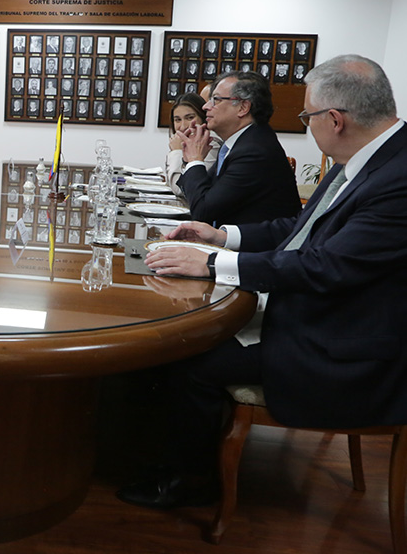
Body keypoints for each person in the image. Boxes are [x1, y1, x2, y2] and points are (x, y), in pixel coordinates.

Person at [119, 54, 407, 509]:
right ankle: (153, 454)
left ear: (335, 120)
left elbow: (324, 266)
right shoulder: (366, 157)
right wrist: (222, 237)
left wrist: (213, 264)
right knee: (175, 345)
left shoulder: (397, 178)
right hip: (319, 311)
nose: (306, 126)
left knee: (187, 357)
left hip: (341, 345)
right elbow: (299, 231)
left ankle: (190, 482)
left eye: (307, 117)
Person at [175, 71, 300, 226]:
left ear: (243, 107)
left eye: (216, 100)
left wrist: (195, 160)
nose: (205, 106)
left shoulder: (254, 151)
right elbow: (201, 196)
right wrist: (190, 160)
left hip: (254, 241)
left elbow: (203, 211)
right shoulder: (238, 143)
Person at [164, 93, 219, 196]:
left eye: (189, 118)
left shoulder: (211, 142)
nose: (183, 126)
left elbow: (179, 189)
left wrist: (176, 152)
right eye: (178, 120)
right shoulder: (182, 142)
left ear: (203, 118)